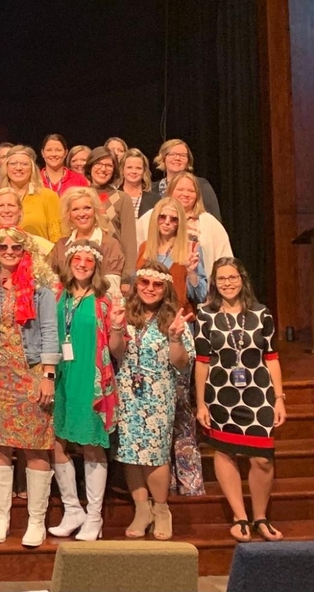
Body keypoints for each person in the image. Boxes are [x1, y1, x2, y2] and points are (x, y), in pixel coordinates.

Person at [0, 227, 60, 548]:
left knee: (35, 446)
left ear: (26, 251)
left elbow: (50, 331)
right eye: (2, 246)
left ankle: (36, 520)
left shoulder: (41, 290)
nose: (8, 251)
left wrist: (48, 375)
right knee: (0, 446)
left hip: (32, 370)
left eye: (15, 247)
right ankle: (2, 517)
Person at [195, 257, 287, 542]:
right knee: (224, 452)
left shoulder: (261, 313)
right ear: (214, 283)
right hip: (221, 394)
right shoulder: (205, 314)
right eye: (221, 279)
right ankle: (240, 516)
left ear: (242, 279)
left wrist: (279, 398)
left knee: (262, 459)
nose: (227, 283)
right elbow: (202, 360)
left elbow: (271, 357)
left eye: (232, 277)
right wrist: (201, 403)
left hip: (257, 393)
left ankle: (261, 516)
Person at [112, 263, 194, 540]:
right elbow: (117, 353)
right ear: (136, 285)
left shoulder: (174, 318)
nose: (149, 288)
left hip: (159, 392)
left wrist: (174, 338)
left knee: (155, 456)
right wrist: (114, 328)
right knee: (129, 453)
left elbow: (181, 364)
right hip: (127, 391)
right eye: (144, 282)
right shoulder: (127, 314)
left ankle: (161, 509)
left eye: (156, 284)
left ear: (166, 288)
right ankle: (141, 509)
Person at [47, 241, 119, 542]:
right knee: (57, 442)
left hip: (91, 379)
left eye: (89, 260)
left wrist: (116, 328)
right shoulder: (58, 295)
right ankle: (72, 508)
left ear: (96, 265)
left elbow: (117, 349)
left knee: (91, 445)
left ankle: (94, 516)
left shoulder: (104, 300)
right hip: (62, 377)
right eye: (77, 258)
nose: (82, 264)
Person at [138, 196, 208, 497]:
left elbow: (202, 292)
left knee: (179, 408)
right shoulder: (145, 250)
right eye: (163, 218)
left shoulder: (190, 250)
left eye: (173, 219)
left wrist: (192, 271)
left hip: (177, 328)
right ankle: (159, 485)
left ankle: (189, 485)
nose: (167, 223)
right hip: (146, 332)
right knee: (153, 411)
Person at [0, 187, 54, 293]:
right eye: (1, 206)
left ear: (20, 211)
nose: (6, 210)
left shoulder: (40, 246)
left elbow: (48, 288)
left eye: (11, 205)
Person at [49, 187, 125, 293]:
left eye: (87, 208)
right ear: (69, 215)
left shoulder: (110, 244)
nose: (82, 214)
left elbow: (112, 290)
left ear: (95, 211)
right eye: (75, 209)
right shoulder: (61, 246)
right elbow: (53, 285)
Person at [85, 146, 138, 271]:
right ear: (90, 166)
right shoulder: (80, 196)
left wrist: (127, 277)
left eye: (109, 165)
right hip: (82, 266)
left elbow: (129, 242)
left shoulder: (122, 199)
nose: (103, 169)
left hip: (112, 268)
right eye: (98, 163)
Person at [0, 145, 61, 241]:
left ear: (32, 168)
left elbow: (57, 237)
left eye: (24, 164)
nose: (18, 168)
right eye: (13, 163)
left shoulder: (48, 196)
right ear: (6, 167)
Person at [154, 139, 222, 221]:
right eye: (172, 154)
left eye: (182, 155)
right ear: (163, 158)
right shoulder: (151, 189)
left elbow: (214, 218)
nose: (177, 158)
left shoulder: (201, 185)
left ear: (188, 161)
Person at [121, 148, 161, 219]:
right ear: (122, 170)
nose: (134, 171)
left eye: (138, 168)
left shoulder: (155, 199)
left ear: (144, 171)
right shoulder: (112, 195)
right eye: (129, 167)